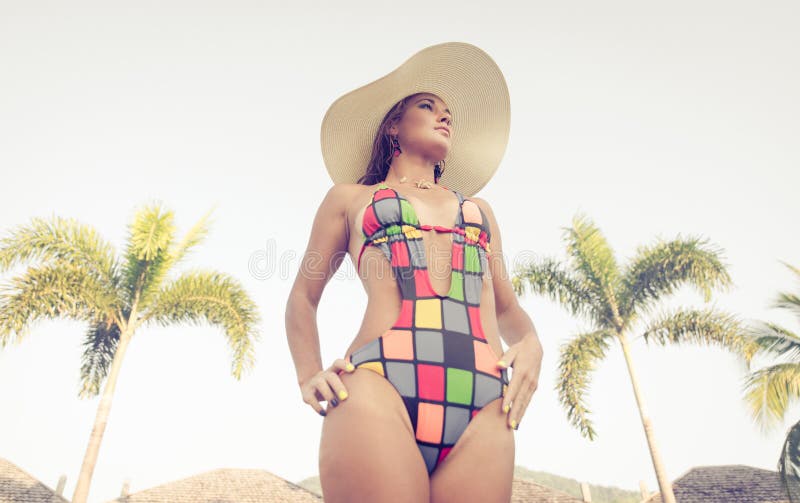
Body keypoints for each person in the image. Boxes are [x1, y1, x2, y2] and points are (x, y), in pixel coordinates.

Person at [285, 42, 543, 503]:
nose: (444, 117)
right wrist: (308, 375)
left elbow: (509, 310)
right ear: (393, 126)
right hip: (379, 387)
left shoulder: (479, 211)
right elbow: (303, 297)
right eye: (428, 106)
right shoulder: (348, 199)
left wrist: (532, 344)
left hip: (485, 406)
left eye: (449, 113)